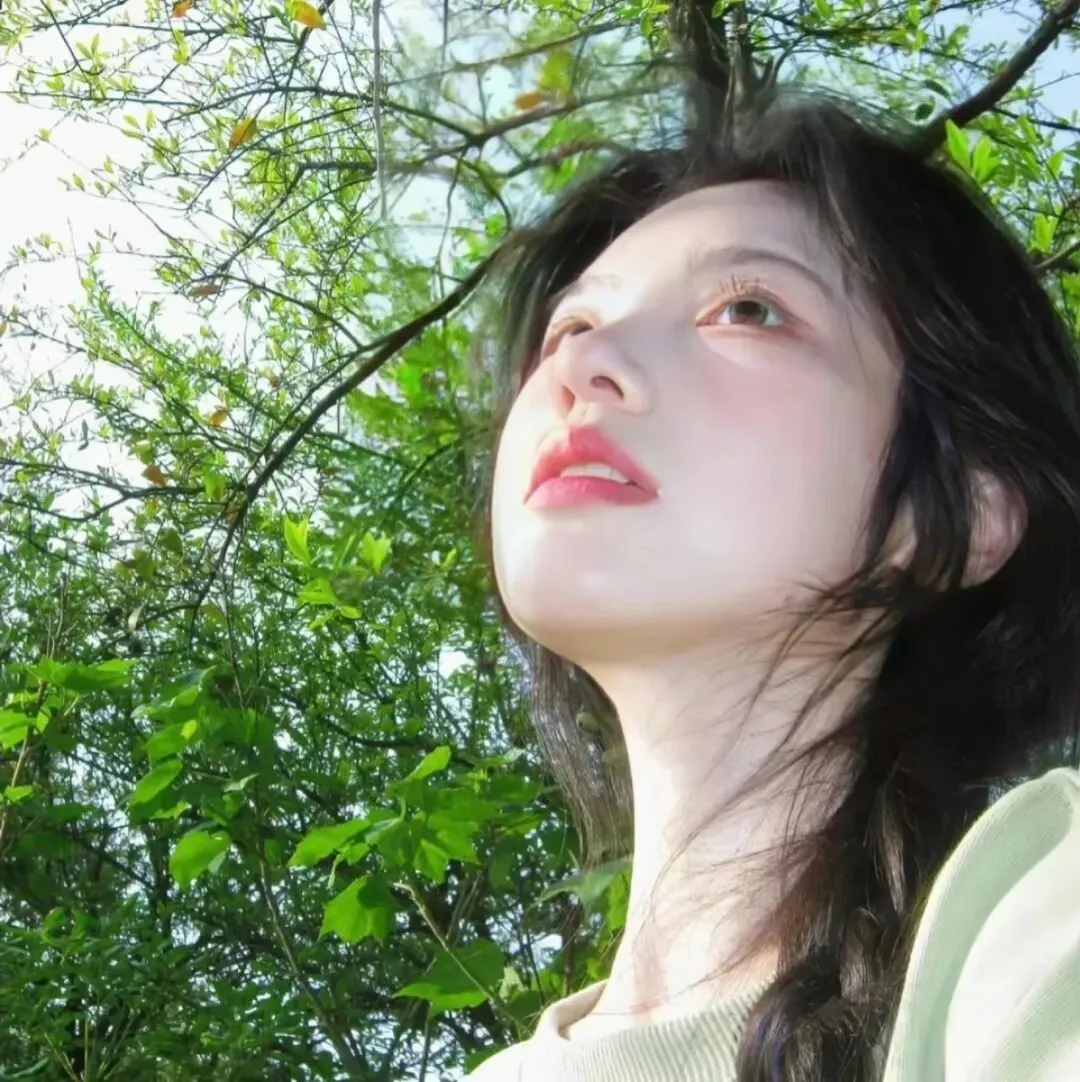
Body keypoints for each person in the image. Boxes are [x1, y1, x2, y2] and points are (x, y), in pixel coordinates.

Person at [462, 77, 1080, 1082]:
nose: (586, 364)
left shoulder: (1034, 922)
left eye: (746, 308)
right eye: (569, 329)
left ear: (961, 512)